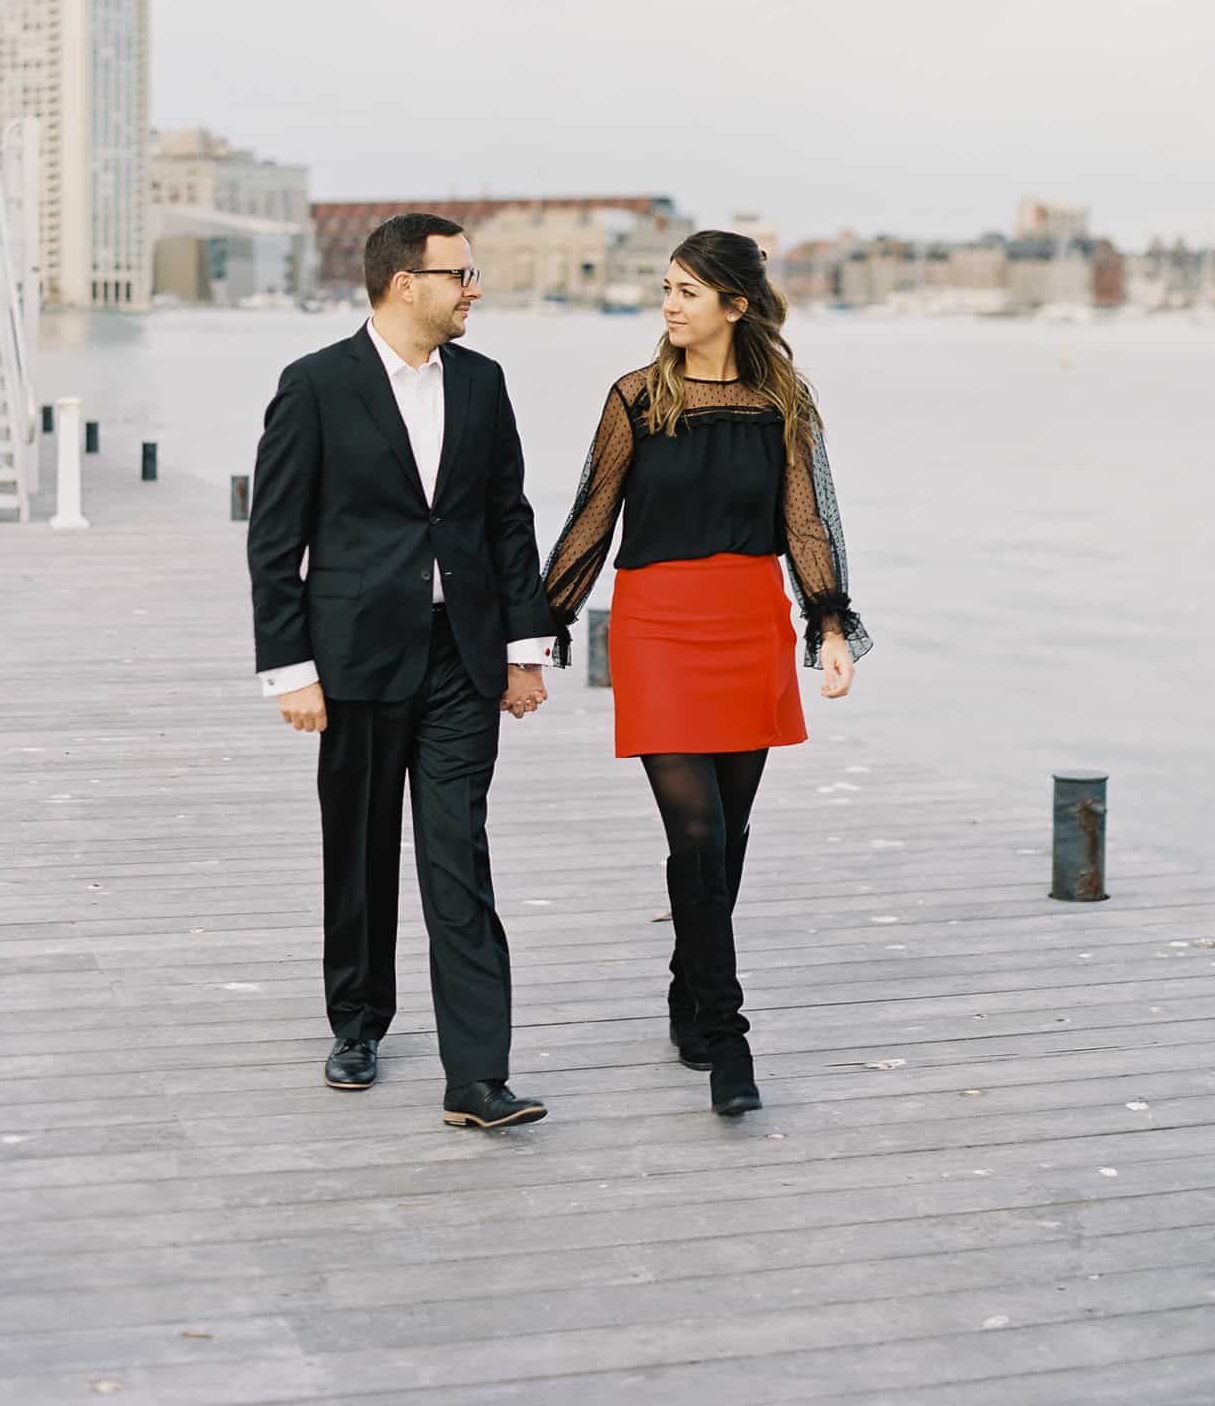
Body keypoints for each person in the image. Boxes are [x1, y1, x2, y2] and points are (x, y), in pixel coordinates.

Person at [542, 230, 870, 1116]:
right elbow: (592, 517)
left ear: (736, 305)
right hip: (657, 625)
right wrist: (542, 623)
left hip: (749, 622)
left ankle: (689, 992)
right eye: (666, 288)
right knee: (696, 831)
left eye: (688, 291)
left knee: (728, 831)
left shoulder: (783, 401)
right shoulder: (636, 397)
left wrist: (829, 622)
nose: (669, 305)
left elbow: (806, 522)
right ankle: (729, 1040)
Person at [247, 213, 553, 1129]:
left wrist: (525, 649)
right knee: (361, 850)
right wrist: (290, 670)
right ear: (402, 283)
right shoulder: (314, 385)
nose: (474, 290)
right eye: (459, 275)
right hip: (355, 660)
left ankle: (478, 1078)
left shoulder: (483, 382)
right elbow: (274, 542)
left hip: (462, 656)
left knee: (459, 855)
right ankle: (358, 1022)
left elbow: (508, 519)